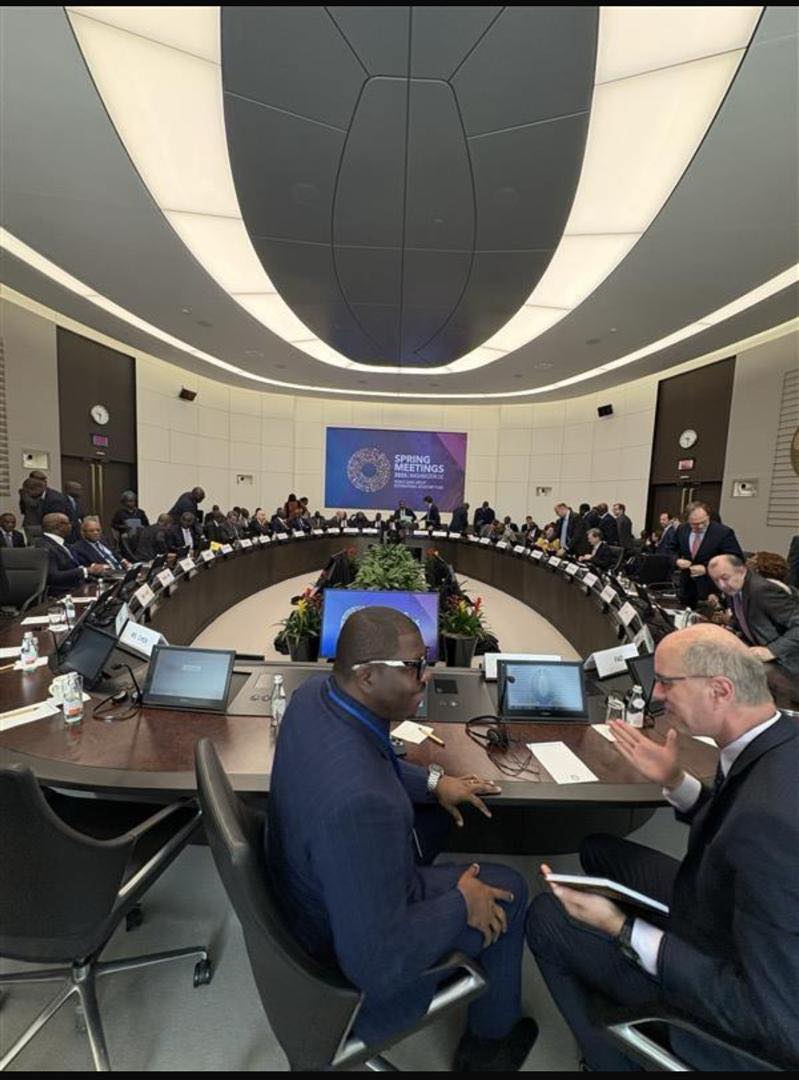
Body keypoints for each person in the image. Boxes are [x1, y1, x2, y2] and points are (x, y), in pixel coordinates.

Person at [266, 606, 538, 1069]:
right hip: (338, 944)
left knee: (439, 817)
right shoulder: (362, 805)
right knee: (507, 888)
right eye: (414, 667)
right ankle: (490, 1047)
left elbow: (371, 757)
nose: (426, 677)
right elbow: (375, 962)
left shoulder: (313, 695)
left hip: (306, 875)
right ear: (368, 676)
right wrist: (461, 903)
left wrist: (435, 782)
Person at [525, 624, 799, 1070]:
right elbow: (732, 823)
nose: (655, 694)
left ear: (720, 690)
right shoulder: (775, 738)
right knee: (598, 849)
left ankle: (608, 1061)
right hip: (721, 906)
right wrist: (675, 780)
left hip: (726, 991)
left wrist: (622, 927)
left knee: (546, 916)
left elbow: (770, 1016)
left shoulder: (770, 825)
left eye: (667, 682)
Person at [709, 554, 799, 675]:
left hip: (788, 664)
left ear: (741, 571)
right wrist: (729, 629)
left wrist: (772, 651)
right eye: (716, 580)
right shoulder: (733, 588)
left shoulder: (762, 590)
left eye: (725, 578)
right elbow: (741, 614)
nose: (722, 585)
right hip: (764, 661)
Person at [664, 502, 744, 608]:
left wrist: (707, 569)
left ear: (708, 516)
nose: (701, 526)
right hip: (686, 588)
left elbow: (736, 560)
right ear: (688, 521)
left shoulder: (723, 532)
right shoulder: (682, 529)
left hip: (711, 589)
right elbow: (669, 550)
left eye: (704, 522)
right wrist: (676, 560)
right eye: (695, 524)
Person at [34, 512, 106, 594]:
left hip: (80, 586)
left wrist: (92, 569)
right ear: (59, 526)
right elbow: (53, 576)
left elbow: (74, 566)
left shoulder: (65, 544)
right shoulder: (44, 547)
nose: (71, 526)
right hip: (62, 593)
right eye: (68, 523)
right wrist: (86, 570)